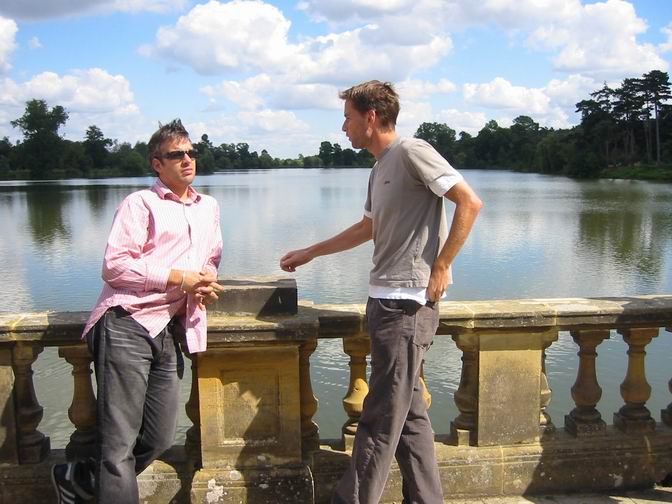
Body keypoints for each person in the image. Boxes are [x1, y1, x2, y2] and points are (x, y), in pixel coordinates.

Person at [280, 80, 483, 504]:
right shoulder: (379, 168)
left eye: (348, 119)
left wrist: (442, 264)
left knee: (378, 418)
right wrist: (311, 252)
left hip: (407, 304)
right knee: (410, 416)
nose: (344, 128)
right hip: (384, 301)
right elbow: (367, 228)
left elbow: (469, 202)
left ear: (371, 117)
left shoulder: (412, 151)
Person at [51, 119, 224, 504]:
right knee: (118, 445)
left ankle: (79, 477)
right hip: (125, 323)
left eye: (191, 152)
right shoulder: (139, 204)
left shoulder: (209, 207)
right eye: (176, 155)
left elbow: (211, 257)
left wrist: (206, 279)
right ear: (157, 164)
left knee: (160, 436)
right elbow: (114, 267)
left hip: (168, 328)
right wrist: (179, 277)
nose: (187, 160)